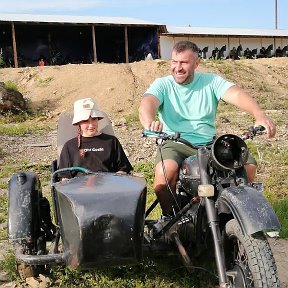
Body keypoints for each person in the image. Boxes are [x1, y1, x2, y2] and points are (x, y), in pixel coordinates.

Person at [139, 40, 276, 216]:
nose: (177, 67)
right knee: (165, 171)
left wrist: (259, 115)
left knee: (247, 165)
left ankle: (230, 215)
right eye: (174, 62)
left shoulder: (210, 81)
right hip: (175, 142)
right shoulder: (163, 84)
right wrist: (149, 122)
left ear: (196, 63)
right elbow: (147, 102)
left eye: (184, 62)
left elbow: (235, 94)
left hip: (208, 144)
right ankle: (170, 218)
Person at [58, 97, 133, 178]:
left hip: (108, 187)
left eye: (94, 119)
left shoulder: (111, 141)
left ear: (98, 119)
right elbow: (64, 177)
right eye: (85, 120)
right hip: (80, 189)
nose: (91, 125)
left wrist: (117, 180)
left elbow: (123, 169)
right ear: (78, 123)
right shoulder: (69, 146)